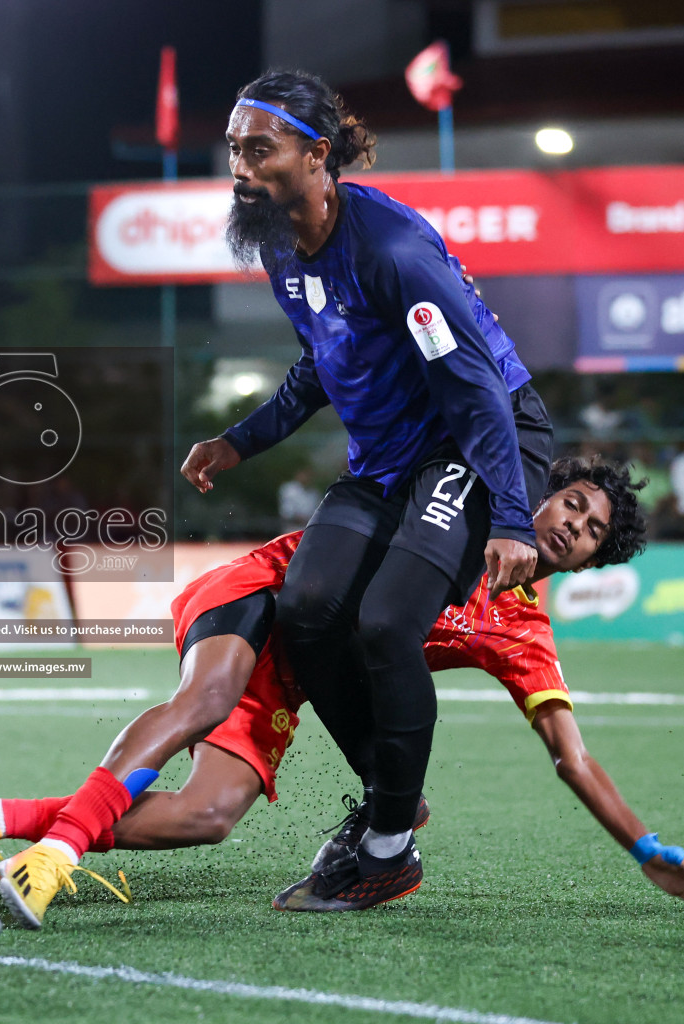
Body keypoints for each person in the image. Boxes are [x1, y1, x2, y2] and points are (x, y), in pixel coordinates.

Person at [0, 458, 684, 926]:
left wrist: (648, 851)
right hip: (267, 593)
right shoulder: (472, 503)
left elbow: (571, 758)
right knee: (204, 701)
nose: (574, 525)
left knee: (208, 816)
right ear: (549, 493)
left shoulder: (519, 631)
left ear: (592, 562)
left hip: (293, 673)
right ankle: (63, 850)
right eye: (574, 503)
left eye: (592, 531)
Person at [178, 70, 552, 905]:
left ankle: (385, 851)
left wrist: (515, 517)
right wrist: (242, 442)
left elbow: (477, 388)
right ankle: (393, 794)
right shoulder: (282, 245)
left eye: (259, 149)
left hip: (477, 439)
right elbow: (324, 360)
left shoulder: (391, 250)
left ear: (318, 156)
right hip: (386, 459)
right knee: (307, 613)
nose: (240, 167)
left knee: (386, 622)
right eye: (234, 149)